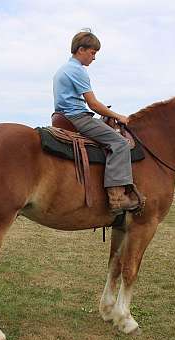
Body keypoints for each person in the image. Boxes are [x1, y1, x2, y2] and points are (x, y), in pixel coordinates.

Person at [53, 30, 141, 215]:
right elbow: (93, 104)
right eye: (92, 53)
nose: (94, 58)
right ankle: (117, 197)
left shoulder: (63, 69)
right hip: (77, 117)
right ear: (81, 50)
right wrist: (118, 116)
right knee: (120, 143)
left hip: (63, 116)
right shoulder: (78, 71)